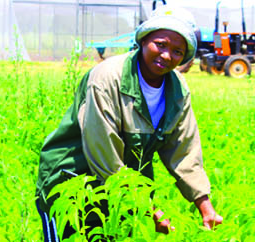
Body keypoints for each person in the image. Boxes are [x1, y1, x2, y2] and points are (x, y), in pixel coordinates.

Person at [35, 5, 223, 241]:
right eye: (161, 44)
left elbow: (184, 152)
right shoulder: (107, 78)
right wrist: (145, 207)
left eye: (177, 51)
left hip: (121, 193)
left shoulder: (177, 90)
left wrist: (205, 206)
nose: (166, 55)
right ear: (143, 40)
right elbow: (103, 151)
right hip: (72, 184)